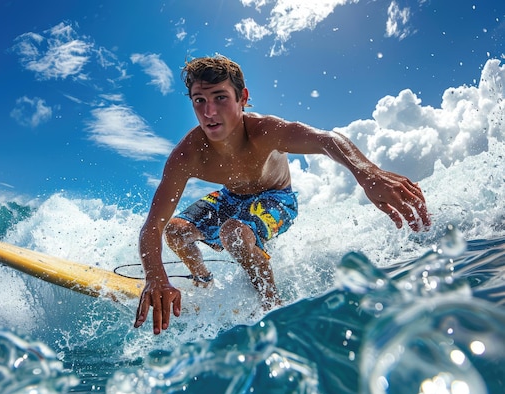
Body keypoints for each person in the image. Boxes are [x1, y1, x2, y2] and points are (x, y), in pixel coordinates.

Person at [134, 55, 431, 335]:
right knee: (174, 231)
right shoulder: (187, 154)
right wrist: (156, 276)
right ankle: (203, 281)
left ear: (243, 98)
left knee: (234, 233)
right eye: (200, 101)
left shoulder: (265, 131)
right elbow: (152, 227)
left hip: (276, 198)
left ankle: (271, 303)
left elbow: (327, 140)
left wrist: (367, 173)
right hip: (229, 197)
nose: (209, 112)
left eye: (220, 98)